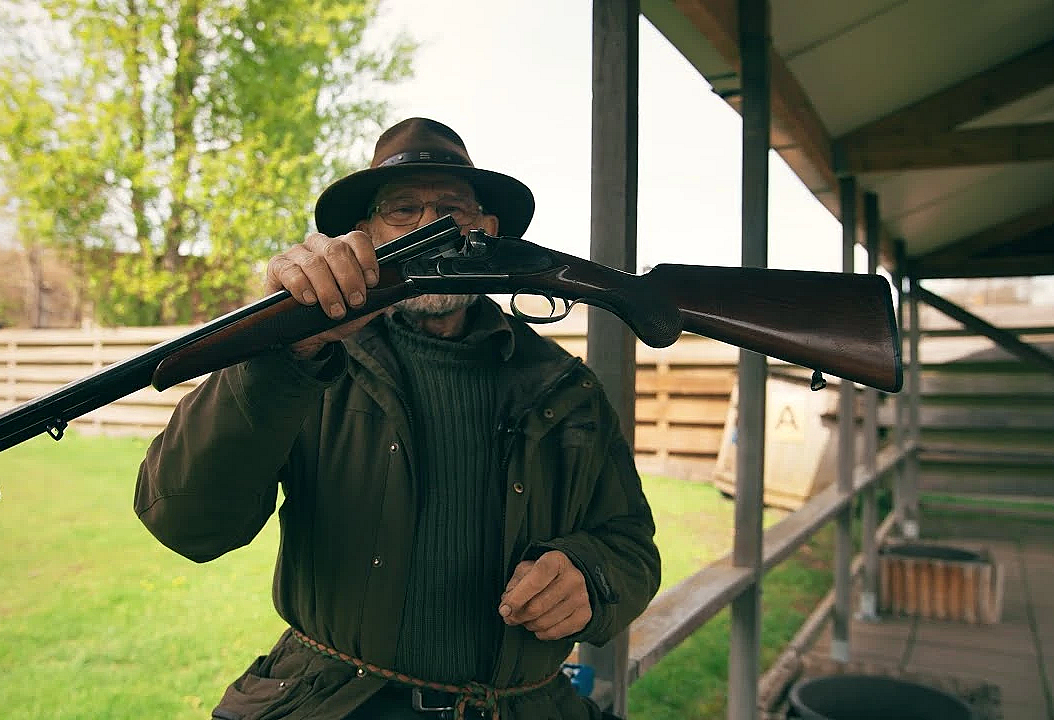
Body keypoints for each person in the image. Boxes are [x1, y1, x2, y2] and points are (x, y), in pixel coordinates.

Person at [134, 117, 660, 720]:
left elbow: (631, 547)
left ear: (489, 229)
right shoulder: (311, 359)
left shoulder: (567, 386)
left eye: (452, 209)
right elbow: (186, 522)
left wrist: (590, 576)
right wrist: (282, 355)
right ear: (365, 236)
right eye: (402, 209)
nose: (430, 227)